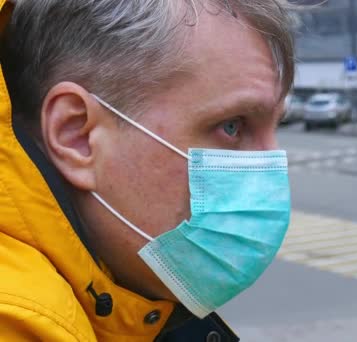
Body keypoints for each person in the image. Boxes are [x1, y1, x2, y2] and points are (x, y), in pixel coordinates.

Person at [0, 0, 295, 340]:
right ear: (76, 134)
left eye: (276, 128)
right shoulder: (21, 322)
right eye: (232, 126)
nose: (270, 175)